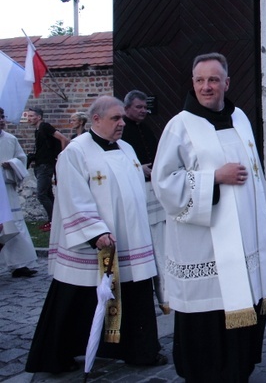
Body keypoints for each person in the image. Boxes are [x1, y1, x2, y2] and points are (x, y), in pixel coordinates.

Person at [152, 53, 266, 382]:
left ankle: (239, 367)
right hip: (203, 242)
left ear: (226, 83)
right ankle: (206, 372)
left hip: (245, 238)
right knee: (210, 311)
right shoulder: (179, 126)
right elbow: (164, 182)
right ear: (193, 83)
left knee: (244, 305)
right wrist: (214, 177)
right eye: (199, 80)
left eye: (213, 80)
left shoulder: (240, 118)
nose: (206, 86)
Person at [26, 96, 165, 374]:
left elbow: (134, 189)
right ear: (97, 120)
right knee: (77, 298)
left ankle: (139, 350)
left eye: (122, 118)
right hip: (93, 244)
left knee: (135, 295)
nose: (122, 123)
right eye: (116, 118)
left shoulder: (125, 148)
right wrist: (95, 232)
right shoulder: (75, 153)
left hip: (130, 241)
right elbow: (72, 196)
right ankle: (58, 356)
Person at [120, 89, 168, 313]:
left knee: (160, 241)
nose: (143, 111)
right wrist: (141, 169)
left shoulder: (146, 129)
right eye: (138, 107)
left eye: (144, 107)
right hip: (137, 193)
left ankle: (166, 292)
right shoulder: (121, 132)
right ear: (126, 107)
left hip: (154, 192)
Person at [0, 107, 38, 278]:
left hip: (7, 189)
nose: (2, 121)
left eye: (3, 117)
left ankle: (19, 264)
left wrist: (12, 164)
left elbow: (22, 159)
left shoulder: (10, 139)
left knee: (15, 225)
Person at [26, 107, 69, 231]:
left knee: (41, 194)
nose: (29, 119)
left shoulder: (45, 126)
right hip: (40, 165)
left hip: (46, 165)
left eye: (32, 116)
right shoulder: (38, 130)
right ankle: (55, 220)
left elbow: (63, 139)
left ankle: (54, 221)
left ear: (39, 117)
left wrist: (61, 157)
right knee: (49, 194)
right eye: (28, 116)